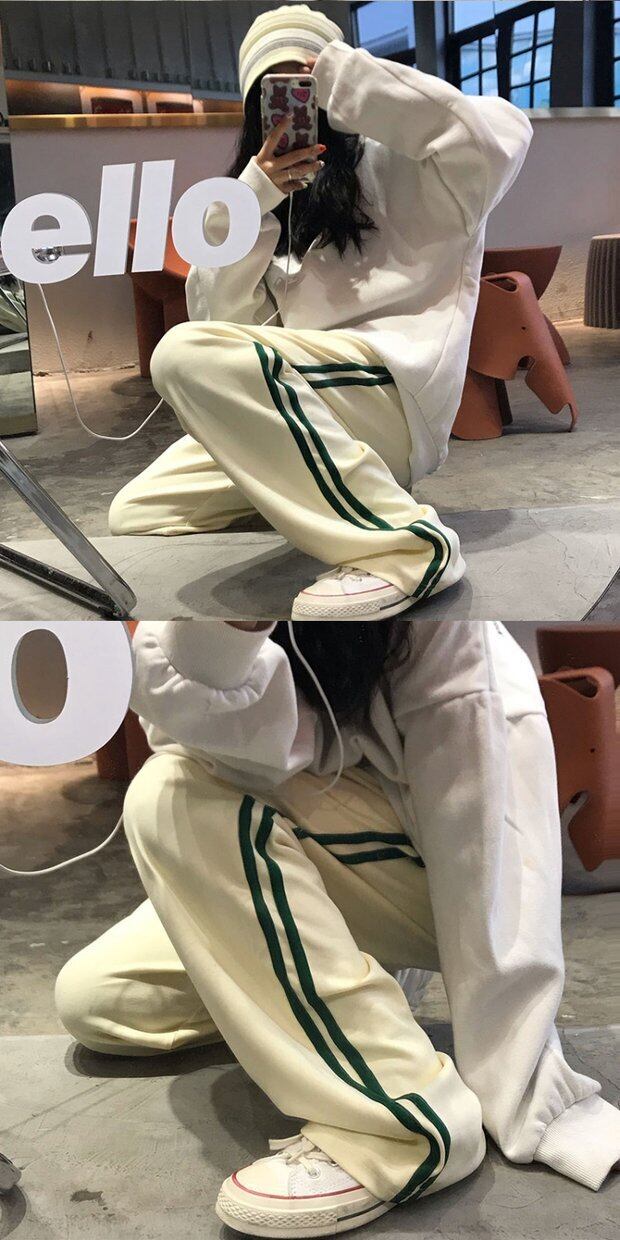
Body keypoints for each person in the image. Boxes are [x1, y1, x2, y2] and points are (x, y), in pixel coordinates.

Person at [56, 619, 620, 1237]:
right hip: (339, 852)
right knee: (103, 1000)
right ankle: (361, 982)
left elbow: (494, 848)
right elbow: (201, 734)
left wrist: (524, 1073)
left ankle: (405, 1123)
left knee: (170, 794)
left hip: (450, 884)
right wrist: (230, 625)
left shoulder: (452, 641)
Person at [109, 4, 533, 621]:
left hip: (391, 391)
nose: (297, 104)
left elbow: (500, 136)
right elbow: (224, 326)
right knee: (142, 510)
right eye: (275, 91)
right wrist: (252, 199)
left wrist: (350, 79)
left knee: (177, 355)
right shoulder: (271, 199)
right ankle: (334, 491)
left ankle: (408, 549)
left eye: (306, 83)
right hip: (317, 399)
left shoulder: (418, 165)